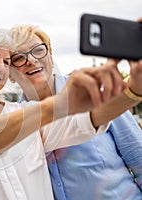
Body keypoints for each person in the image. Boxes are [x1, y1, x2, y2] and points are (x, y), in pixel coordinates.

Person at [0, 24, 140, 200]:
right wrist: (59, 103)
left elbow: (87, 119)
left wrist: (133, 88)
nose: (1, 68)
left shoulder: (26, 111)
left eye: (6, 61)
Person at [9, 24, 142, 199]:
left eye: (38, 50)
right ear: (9, 73)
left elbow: (137, 155)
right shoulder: (13, 123)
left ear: (50, 54)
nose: (32, 60)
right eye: (18, 57)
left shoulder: (92, 90)